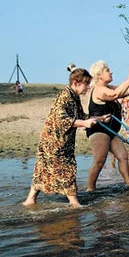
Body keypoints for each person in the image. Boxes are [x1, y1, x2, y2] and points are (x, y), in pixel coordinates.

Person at [23, 65, 110, 208]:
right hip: (54, 142)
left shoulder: (74, 96)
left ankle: (30, 200)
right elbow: (62, 119)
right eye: (86, 84)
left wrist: (100, 118)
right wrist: (85, 124)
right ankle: (74, 203)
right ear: (76, 83)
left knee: (43, 170)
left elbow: (81, 116)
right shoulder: (65, 96)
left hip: (60, 142)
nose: (88, 87)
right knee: (66, 169)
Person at [86, 60, 129, 191]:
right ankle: (90, 188)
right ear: (99, 75)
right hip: (99, 130)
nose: (111, 72)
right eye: (108, 70)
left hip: (111, 131)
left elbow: (125, 92)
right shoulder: (98, 90)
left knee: (123, 156)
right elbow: (115, 95)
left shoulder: (109, 87)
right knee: (100, 160)